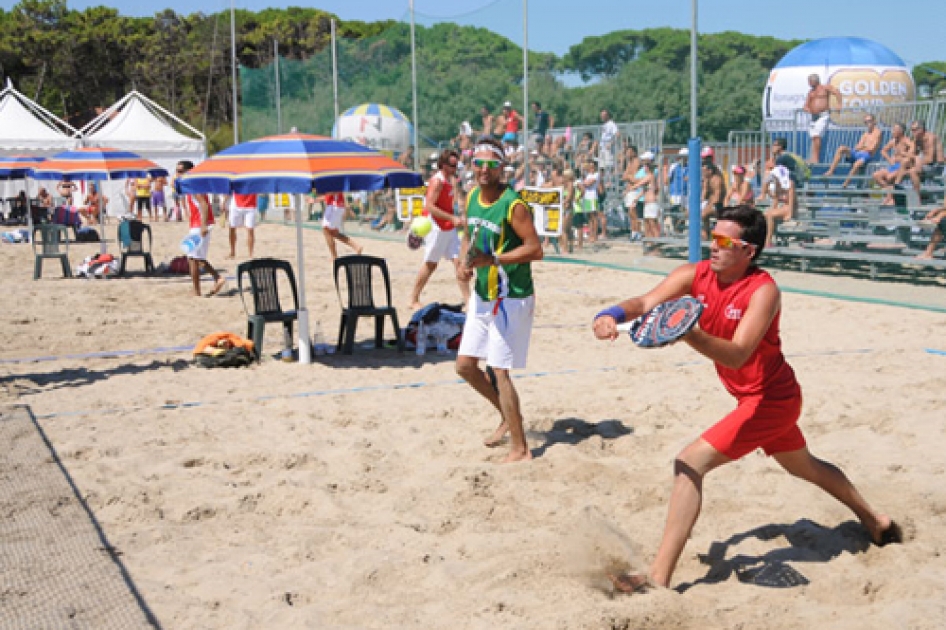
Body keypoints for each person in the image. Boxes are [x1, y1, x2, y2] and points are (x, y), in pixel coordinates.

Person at [592, 204, 901, 594]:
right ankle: (876, 520)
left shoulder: (764, 290)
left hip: (771, 398)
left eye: (724, 240)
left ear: (748, 251)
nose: (713, 246)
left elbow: (738, 353)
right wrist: (610, 314)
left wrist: (688, 332)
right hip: (755, 398)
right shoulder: (695, 274)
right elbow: (644, 303)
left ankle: (658, 578)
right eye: (712, 235)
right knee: (806, 467)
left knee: (689, 463)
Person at [456, 137, 543, 463]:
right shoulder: (473, 196)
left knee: (499, 369)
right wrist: (463, 262)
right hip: (483, 294)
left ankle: (521, 448)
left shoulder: (513, 204)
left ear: (502, 167)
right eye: (477, 162)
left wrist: (492, 260)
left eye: (491, 163)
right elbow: (468, 235)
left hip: (511, 297)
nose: (483, 169)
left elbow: (535, 249)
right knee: (465, 366)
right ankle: (508, 417)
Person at [409, 149, 469, 310]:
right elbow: (429, 206)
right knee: (431, 264)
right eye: (452, 165)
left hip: (448, 227)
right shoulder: (438, 181)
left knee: (459, 261)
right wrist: (452, 218)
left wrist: (457, 216)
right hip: (436, 226)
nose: (455, 168)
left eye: (457, 165)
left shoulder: (450, 180)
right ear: (443, 165)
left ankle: (468, 300)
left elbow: (449, 204)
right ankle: (413, 299)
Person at [179, 160, 225, 297]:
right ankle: (197, 290)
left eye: (181, 171)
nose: (178, 173)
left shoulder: (193, 184)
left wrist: (203, 225)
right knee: (192, 257)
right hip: (197, 223)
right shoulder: (190, 184)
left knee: (195, 257)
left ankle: (217, 278)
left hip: (200, 224)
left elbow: (204, 204)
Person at [824, 114, 883, 187]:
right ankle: (831, 171)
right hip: (858, 153)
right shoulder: (865, 134)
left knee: (856, 165)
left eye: (869, 121)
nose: (868, 124)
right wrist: (863, 147)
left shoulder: (878, 133)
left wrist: (862, 147)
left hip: (867, 155)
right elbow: (857, 147)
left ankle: (845, 184)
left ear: (874, 122)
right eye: (866, 122)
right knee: (841, 148)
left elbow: (871, 149)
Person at [872, 123, 914, 206]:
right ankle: (890, 197)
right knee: (876, 175)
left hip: (902, 167)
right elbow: (883, 151)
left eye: (894, 130)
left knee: (889, 177)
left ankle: (890, 198)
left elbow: (912, 153)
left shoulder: (907, 141)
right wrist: (890, 160)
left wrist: (903, 154)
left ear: (901, 131)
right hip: (894, 166)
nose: (892, 131)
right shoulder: (893, 141)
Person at [803, 74, 842, 163]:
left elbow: (836, 92)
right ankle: (813, 157)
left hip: (823, 115)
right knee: (814, 137)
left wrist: (839, 104)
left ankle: (815, 159)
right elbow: (806, 105)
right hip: (813, 117)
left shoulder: (825, 88)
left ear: (815, 81)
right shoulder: (811, 92)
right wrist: (807, 109)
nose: (809, 83)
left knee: (817, 136)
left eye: (810, 81)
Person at [317, 189, 362, 260]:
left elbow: (332, 192)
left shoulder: (333, 180)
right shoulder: (337, 181)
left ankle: (334, 256)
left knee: (326, 231)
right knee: (334, 233)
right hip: (338, 206)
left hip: (334, 207)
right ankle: (356, 246)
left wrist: (316, 199)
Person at [904, 120, 944, 196]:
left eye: (914, 130)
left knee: (913, 171)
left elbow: (930, 159)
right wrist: (914, 157)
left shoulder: (930, 138)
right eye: (911, 130)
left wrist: (917, 160)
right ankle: (893, 195)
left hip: (936, 166)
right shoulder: (917, 139)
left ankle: (916, 197)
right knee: (903, 165)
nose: (912, 132)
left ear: (921, 129)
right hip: (925, 165)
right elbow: (911, 154)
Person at [226, 192, 258, 259]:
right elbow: (229, 189)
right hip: (236, 204)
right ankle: (232, 252)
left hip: (250, 205)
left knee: (250, 229)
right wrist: (224, 201)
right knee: (232, 228)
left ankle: (250, 254)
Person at [622, 145, 644, 241]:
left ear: (634, 152)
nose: (627, 153)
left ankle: (637, 232)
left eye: (630, 151)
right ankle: (633, 232)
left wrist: (629, 177)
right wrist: (629, 177)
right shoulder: (629, 163)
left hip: (634, 190)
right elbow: (624, 176)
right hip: (629, 190)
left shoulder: (636, 161)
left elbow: (634, 178)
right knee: (630, 213)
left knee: (633, 212)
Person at [700, 160, 725, 237]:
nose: (702, 173)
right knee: (691, 212)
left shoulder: (717, 180)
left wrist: (707, 206)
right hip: (710, 204)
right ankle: (706, 233)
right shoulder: (707, 179)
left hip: (718, 206)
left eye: (704, 171)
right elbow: (704, 196)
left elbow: (717, 199)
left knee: (704, 213)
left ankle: (706, 233)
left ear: (710, 171)